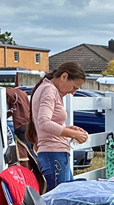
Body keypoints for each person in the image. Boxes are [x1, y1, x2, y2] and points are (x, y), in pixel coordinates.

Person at [31, 61, 89, 191]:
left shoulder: (51, 90)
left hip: (56, 152)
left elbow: (49, 122)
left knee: (67, 196)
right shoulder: (49, 90)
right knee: (60, 200)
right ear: (64, 77)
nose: (73, 93)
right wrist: (73, 134)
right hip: (53, 152)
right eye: (74, 87)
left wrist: (69, 129)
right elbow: (44, 123)